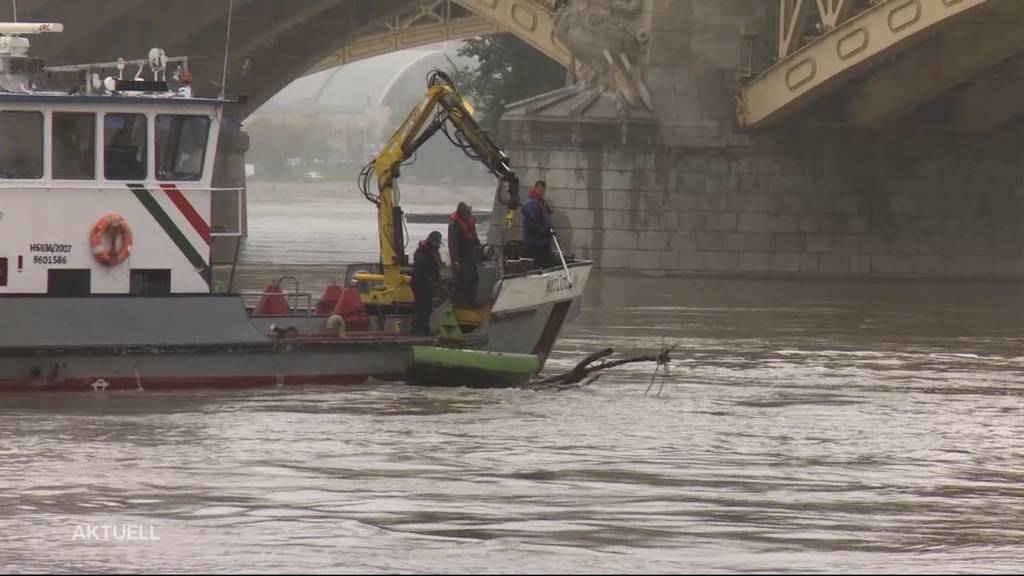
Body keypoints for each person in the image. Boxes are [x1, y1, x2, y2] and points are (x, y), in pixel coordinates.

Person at [448, 201, 482, 307]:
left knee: (474, 278)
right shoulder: (454, 224)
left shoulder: (470, 220)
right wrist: (455, 260)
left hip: (470, 254)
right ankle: (460, 302)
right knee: (462, 279)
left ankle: (472, 300)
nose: (468, 215)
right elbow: (453, 244)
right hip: (461, 256)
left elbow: (473, 234)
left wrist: (478, 245)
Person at [410, 231, 443, 335]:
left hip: (427, 284)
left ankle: (424, 327)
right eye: (437, 241)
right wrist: (429, 281)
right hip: (420, 284)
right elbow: (421, 269)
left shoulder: (432, 252)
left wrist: (437, 280)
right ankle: (418, 329)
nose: (438, 244)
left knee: (427, 307)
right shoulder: (422, 252)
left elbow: (435, 270)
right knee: (421, 306)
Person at [521, 180, 555, 270]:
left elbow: (546, 219)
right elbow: (531, 221)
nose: (541, 193)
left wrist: (550, 229)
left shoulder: (542, 203)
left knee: (548, 266)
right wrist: (543, 230)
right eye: (540, 190)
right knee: (542, 267)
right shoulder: (531, 203)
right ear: (535, 189)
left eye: (543, 191)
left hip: (543, 243)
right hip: (535, 244)